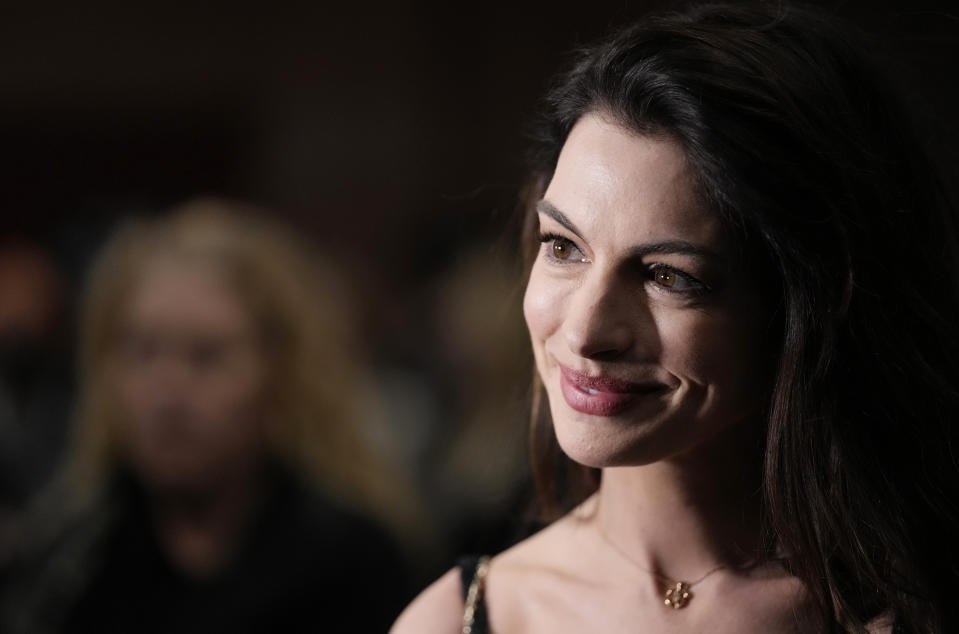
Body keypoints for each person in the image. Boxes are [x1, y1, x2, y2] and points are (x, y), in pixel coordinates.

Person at [393, 2, 959, 633]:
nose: (584, 332)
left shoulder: (914, 607)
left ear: (808, 307)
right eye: (563, 247)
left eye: (668, 277)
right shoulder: (464, 619)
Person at [0, 199, 412, 633]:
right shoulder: (64, 569)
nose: (168, 390)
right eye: (142, 351)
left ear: (281, 373)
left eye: (206, 356)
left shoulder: (353, 566)